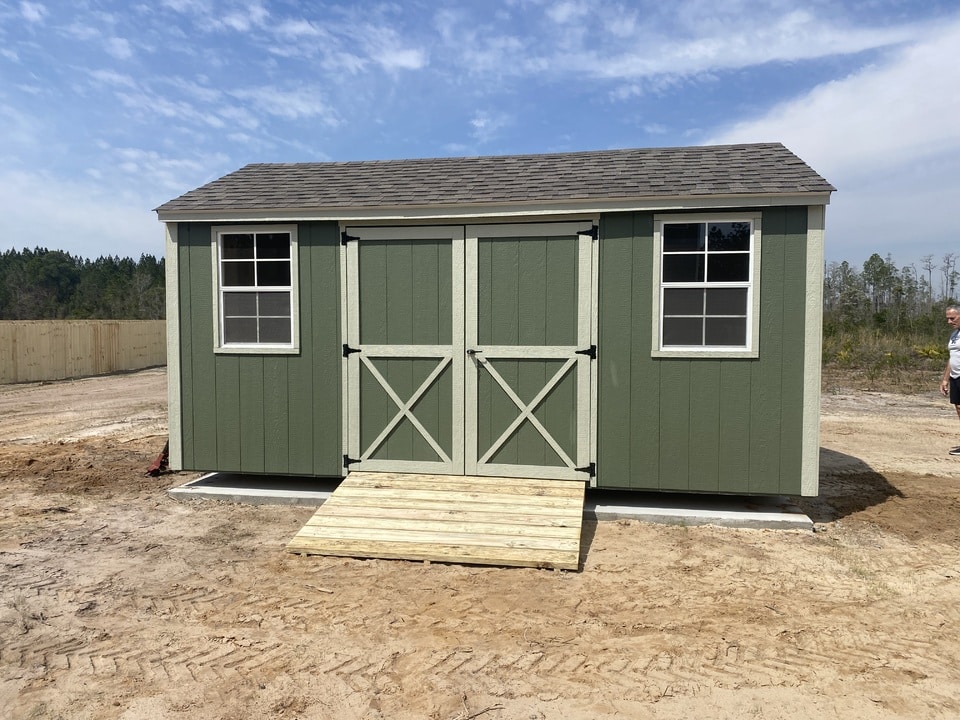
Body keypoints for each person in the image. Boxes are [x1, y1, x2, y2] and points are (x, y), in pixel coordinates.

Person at [940, 305, 960, 455]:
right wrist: (945, 379)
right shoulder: (954, 335)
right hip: (955, 376)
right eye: (947, 318)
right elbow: (952, 358)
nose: (949, 321)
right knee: (958, 408)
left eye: (952, 318)